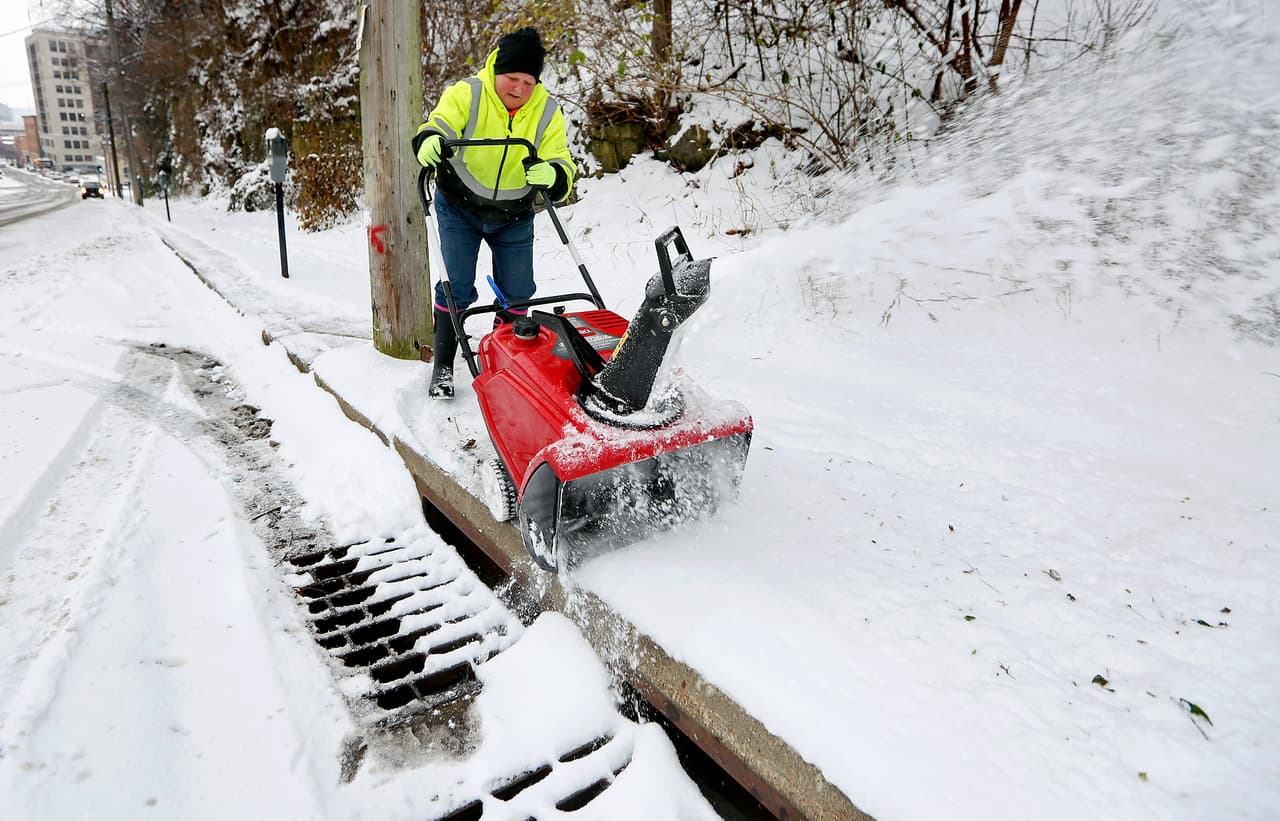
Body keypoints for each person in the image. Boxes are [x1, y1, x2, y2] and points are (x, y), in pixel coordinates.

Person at [412, 27, 576, 399]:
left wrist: (554, 173)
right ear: (495, 70)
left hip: (515, 213)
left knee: (519, 293)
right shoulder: (467, 93)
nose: (518, 87)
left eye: (528, 81)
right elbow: (438, 123)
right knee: (456, 287)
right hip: (460, 207)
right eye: (511, 77)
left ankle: (505, 361)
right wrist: (431, 140)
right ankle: (443, 366)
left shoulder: (547, 110)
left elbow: (560, 157)